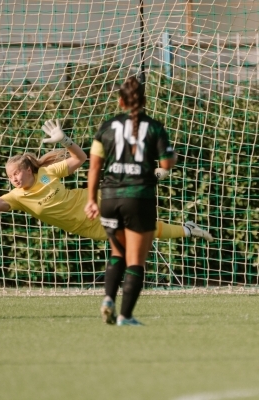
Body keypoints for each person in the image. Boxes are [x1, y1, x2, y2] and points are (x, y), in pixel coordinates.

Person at [0, 120, 213, 244]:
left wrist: (65, 141)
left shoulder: (47, 173)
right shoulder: (17, 197)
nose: (13, 179)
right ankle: (187, 230)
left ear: (28, 170)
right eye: (9, 177)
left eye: (16, 173)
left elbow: (79, 159)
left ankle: (155, 174)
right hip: (91, 228)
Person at [84, 76, 177, 326]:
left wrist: (91, 199)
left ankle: (107, 299)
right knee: (135, 260)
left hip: (110, 198)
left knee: (118, 253)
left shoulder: (106, 127)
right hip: (138, 198)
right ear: (144, 101)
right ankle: (125, 316)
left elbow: (94, 168)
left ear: (120, 101)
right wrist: (163, 168)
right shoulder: (155, 127)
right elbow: (167, 164)